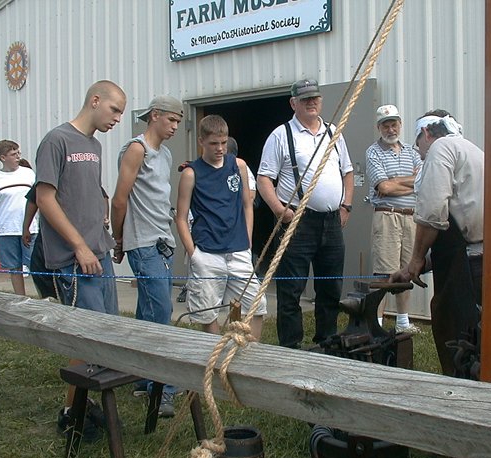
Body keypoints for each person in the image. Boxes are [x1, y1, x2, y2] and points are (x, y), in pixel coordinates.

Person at [392, 110, 491, 376]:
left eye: (419, 147)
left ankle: (459, 397)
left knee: (459, 339)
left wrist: (415, 259)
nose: (420, 154)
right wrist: (414, 267)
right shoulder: (473, 151)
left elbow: (432, 213)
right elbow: (456, 230)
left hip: (474, 267)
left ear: (426, 134)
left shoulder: (440, 148)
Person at [34, 80, 126, 436]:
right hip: (74, 260)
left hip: (99, 254)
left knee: (106, 337)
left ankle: (85, 407)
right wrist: (79, 246)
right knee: (86, 341)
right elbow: (45, 199)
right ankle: (71, 416)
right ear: (95, 100)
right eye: (114, 109)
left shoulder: (95, 145)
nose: (118, 117)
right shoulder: (57, 140)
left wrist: (102, 238)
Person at [257, 79, 354, 349]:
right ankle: (291, 348)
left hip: (332, 222)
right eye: (305, 99)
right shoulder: (281, 135)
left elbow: (347, 171)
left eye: (315, 98)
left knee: (330, 288)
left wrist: (346, 206)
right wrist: (279, 210)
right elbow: (264, 178)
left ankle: (327, 343)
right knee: (291, 291)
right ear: (293, 103)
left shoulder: (333, 132)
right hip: (297, 223)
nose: (312, 102)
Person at [110, 95, 183, 417]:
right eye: (172, 120)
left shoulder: (164, 154)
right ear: (155, 116)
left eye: (179, 121)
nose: (176, 127)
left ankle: (141, 376)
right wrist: (118, 238)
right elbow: (119, 199)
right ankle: (163, 387)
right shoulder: (136, 149)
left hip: (162, 240)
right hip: (141, 242)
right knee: (161, 312)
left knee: (147, 311)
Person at [175, 114, 266, 339]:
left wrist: (248, 241)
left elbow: (247, 204)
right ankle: (214, 356)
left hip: (238, 250)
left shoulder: (238, 165)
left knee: (257, 304)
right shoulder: (190, 173)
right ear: (202, 141)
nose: (220, 148)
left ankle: (249, 354)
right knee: (207, 311)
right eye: (214, 143)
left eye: (224, 143)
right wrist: (193, 254)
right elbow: (181, 217)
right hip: (207, 252)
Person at [366, 105, 422, 333]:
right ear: (379, 127)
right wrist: (412, 182)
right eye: (386, 125)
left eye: (394, 124)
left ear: (400, 124)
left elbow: (423, 181)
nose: (391, 129)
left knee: (406, 271)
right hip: (387, 217)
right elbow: (384, 187)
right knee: (384, 272)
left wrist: (397, 181)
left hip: (411, 218)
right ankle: (376, 324)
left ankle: (402, 322)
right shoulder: (373, 152)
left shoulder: (412, 151)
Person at [0, 140, 37, 295]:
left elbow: (39, 199)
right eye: (13, 154)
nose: (18, 157)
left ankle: (44, 297)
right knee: (14, 266)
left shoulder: (28, 173)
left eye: (18, 153)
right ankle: (20, 298)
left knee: (35, 265)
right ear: (3, 158)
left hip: (30, 228)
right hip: (6, 230)